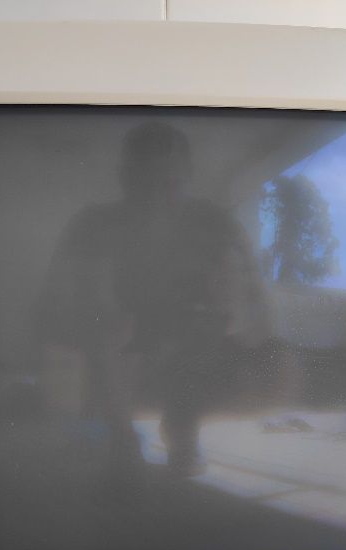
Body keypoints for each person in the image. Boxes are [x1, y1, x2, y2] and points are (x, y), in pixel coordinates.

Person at [43, 121, 271, 476]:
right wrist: (101, 316)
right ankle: (120, 436)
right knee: (105, 325)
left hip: (187, 334)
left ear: (188, 176)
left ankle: (182, 427)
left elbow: (252, 293)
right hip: (114, 334)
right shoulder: (94, 224)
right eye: (143, 184)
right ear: (124, 178)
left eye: (169, 184)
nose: (156, 198)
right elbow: (57, 297)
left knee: (239, 344)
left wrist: (239, 317)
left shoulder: (212, 223)